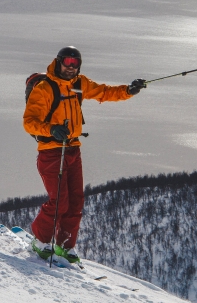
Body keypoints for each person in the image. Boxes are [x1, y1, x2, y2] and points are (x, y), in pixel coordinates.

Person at [23, 46, 147, 263]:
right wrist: (51, 130)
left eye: (75, 63)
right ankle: (40, 241)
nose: (71, 67)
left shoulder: (80, 84)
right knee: (59, 200)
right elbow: (29, 122)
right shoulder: (44, 88)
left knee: (75, 202)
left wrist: (129, 91)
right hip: (52, 151)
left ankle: (65, 246)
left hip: (72, 149)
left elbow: (104, 92)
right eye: (67, 62)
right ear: (59, 62)